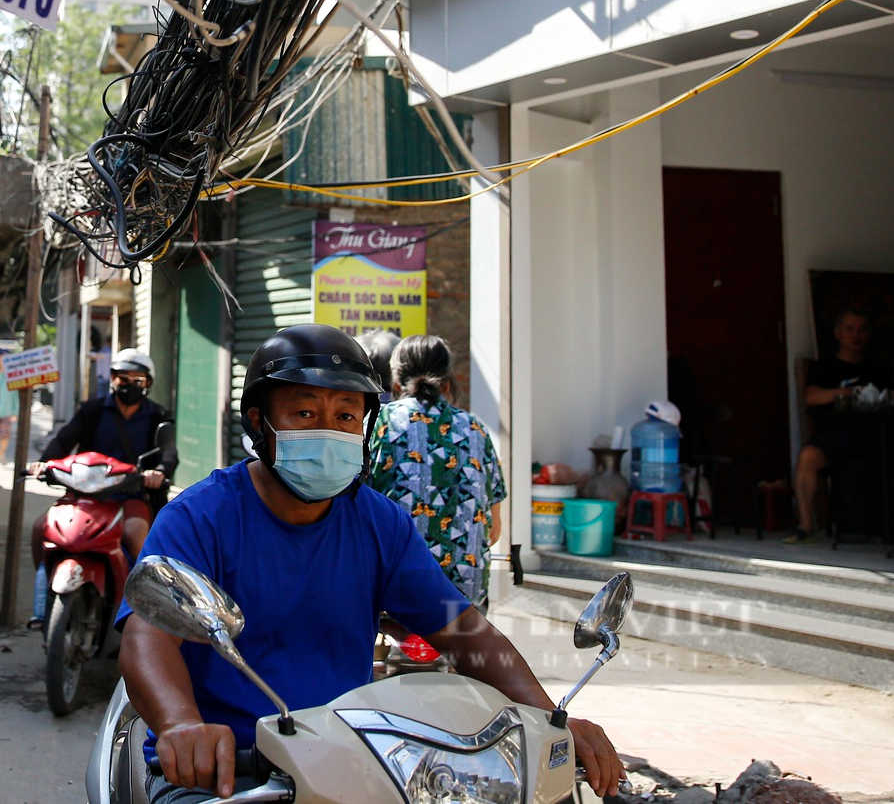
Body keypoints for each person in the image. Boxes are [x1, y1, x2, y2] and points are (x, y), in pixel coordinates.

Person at [118, 324, 623, 804]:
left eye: (345, 416)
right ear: (259, 422)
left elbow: (464, 629)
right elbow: (149, 635)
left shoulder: (380, 523)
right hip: (226, 772)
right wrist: (182, 725)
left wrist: (550, 719)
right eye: (305, 413)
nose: (329, 430)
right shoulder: (200, 516)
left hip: (347, 764)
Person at [29, 349, 177, 621]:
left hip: (129, 495)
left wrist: (159, 472)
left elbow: (169, 453)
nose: (128, 385)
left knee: (136, 536)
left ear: (148, 383)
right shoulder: (92, 411)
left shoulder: (158, 416)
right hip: (84, 493)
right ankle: (42, 601)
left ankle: (141, 610)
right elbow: (63, 440)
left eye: (137, 380)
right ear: (111, 378)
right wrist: (43, 463)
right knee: (42, 529)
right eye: (122, 378)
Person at [369, 333, 507, 610]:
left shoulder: (378, 423)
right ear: (447, 383)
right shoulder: (476, 429)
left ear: (396, 382)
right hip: (465, 600)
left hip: (390, 597)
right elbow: (494, 532)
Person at [788, 307, 894, 543]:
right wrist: (846, 393)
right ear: (837, 333)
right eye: (849, 329)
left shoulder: (879, 369)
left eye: (862, 330)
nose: (855, 336)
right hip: (837, 436)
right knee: (807, 457)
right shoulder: (823, 367)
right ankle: (805, 526)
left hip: (876, 435)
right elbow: (811, 396)